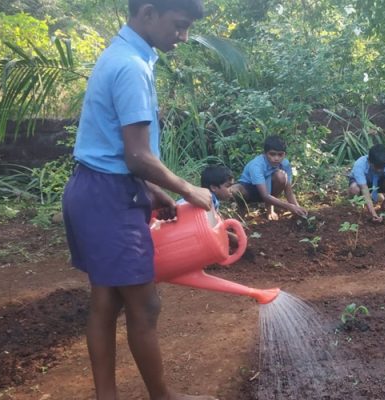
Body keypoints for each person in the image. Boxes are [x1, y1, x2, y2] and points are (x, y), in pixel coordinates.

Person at [61, 0, 217, 399]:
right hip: (108, 197)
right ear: (147, 12)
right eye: (179, 26)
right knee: (144, 306)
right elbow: (137, 155)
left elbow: (113, 148)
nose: (182, 37)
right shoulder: (130, 66)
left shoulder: (126, 55)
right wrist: (188, 189)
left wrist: (151, 190)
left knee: (107, 299)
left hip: (98, 190)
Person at [230, 135, 307, 220]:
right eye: (272, 154)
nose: (276, 158)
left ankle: (270, 210)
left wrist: (298, 209)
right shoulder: (257, 165)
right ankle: (241, 210)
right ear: (265, 153)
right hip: (250, 190)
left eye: (280, 155)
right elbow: (265, 195)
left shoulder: (285, 164)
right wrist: (289, 207)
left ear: (284, 154)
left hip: (268, 191)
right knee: (235, 190)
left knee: (281, 176)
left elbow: (289, 192)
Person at [347, 144, 385, 223]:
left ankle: (384, 205)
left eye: (382, 168)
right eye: (377, 167)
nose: (380, 170)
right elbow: (364, 189)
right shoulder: (360, 165)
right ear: (369, 161)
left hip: (379, 182)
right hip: (363, 185)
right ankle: (356, 205)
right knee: (354, 188)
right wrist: (373, 213)